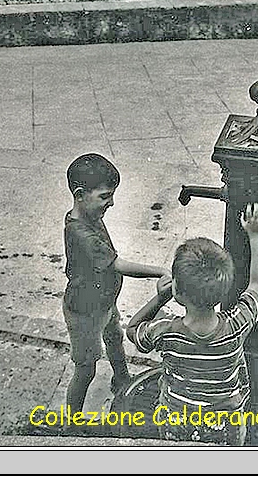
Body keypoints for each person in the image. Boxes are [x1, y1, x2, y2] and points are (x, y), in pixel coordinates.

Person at [126, 203, 258, 445]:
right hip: (226, 428)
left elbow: (132, 330)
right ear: (223, 294)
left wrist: (160, 298)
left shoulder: (164, 331)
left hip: (177, 423)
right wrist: (256, 235)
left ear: (178, 293)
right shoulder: (236, 326)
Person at [63, 153, 168, 412]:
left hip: (104, 301)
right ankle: (71, 421)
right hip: (85, 311)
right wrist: (161, 271)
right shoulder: (79, 230)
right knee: (86, 369)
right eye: (104, 196)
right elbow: (117, 264)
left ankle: (121, 378)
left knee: (114, 338)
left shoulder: (89, 216)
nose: (111, 203)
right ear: (79, 194)